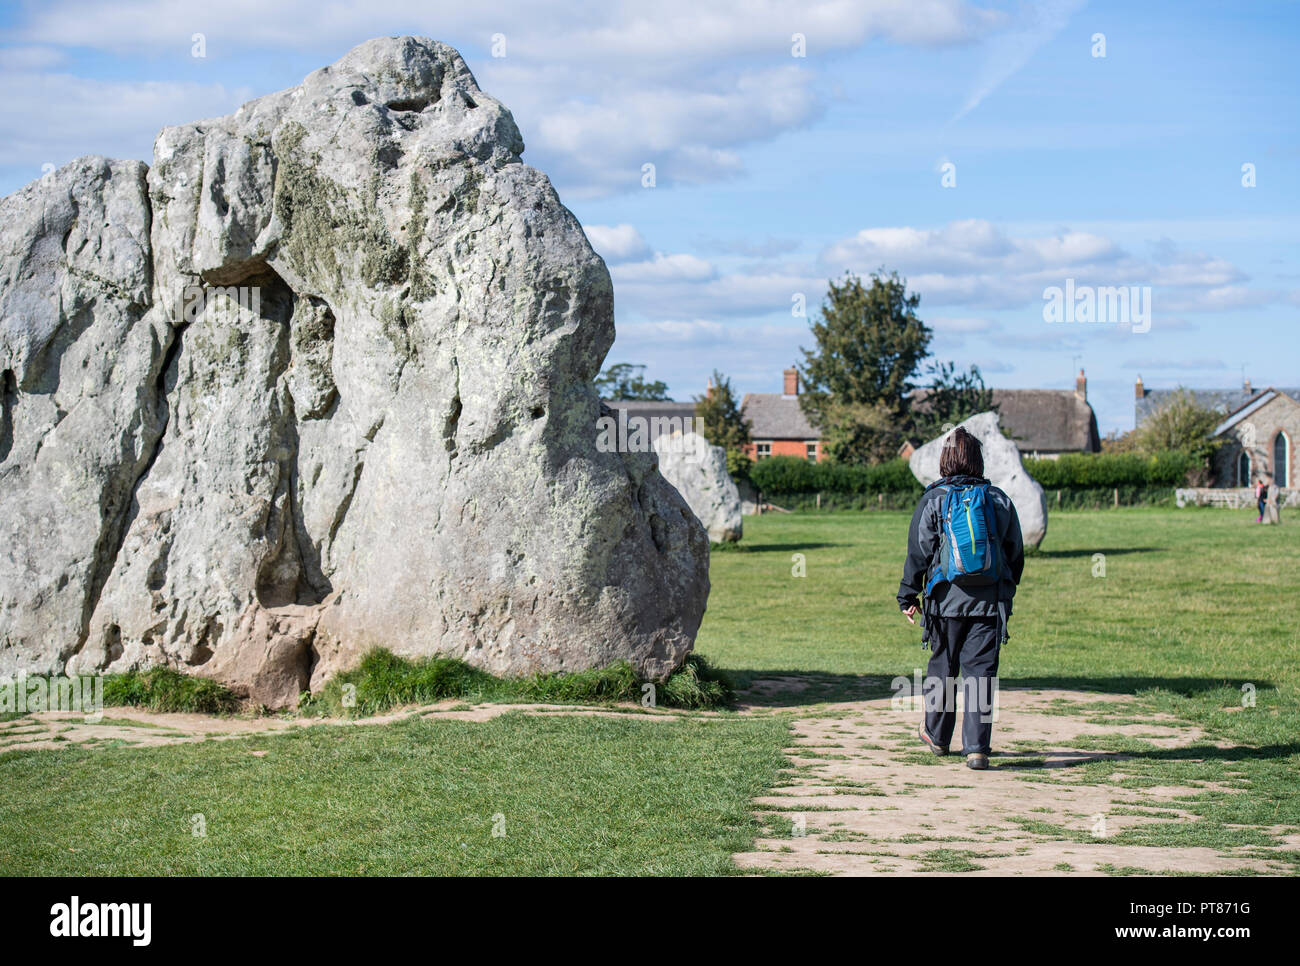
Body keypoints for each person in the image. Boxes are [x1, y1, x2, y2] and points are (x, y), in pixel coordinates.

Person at [897, 427, 1025, 771]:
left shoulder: (934, 499)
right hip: (989, 605)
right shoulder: (999, 500)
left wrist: (908, 595)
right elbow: (1015, 555)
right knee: (980, 674)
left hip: (943, 603)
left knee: (943, 668)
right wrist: (1004, 593)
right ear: (977, 460)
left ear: (945, 459)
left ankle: (937, 738)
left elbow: (918, 552)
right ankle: (977, 748)